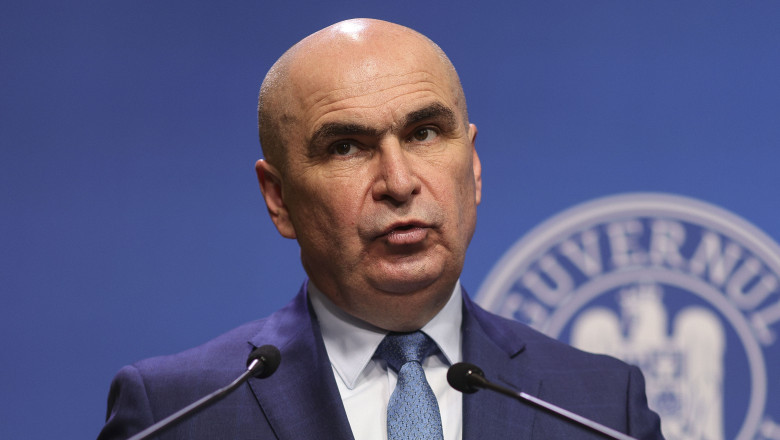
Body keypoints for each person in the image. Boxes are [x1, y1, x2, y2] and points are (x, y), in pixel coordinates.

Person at [98, 18, 664, 440]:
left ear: (473, 167)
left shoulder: (600, 405)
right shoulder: (177, 412)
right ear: (279, 198)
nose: (399, 182)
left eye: (424, 134)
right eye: (346, 147)